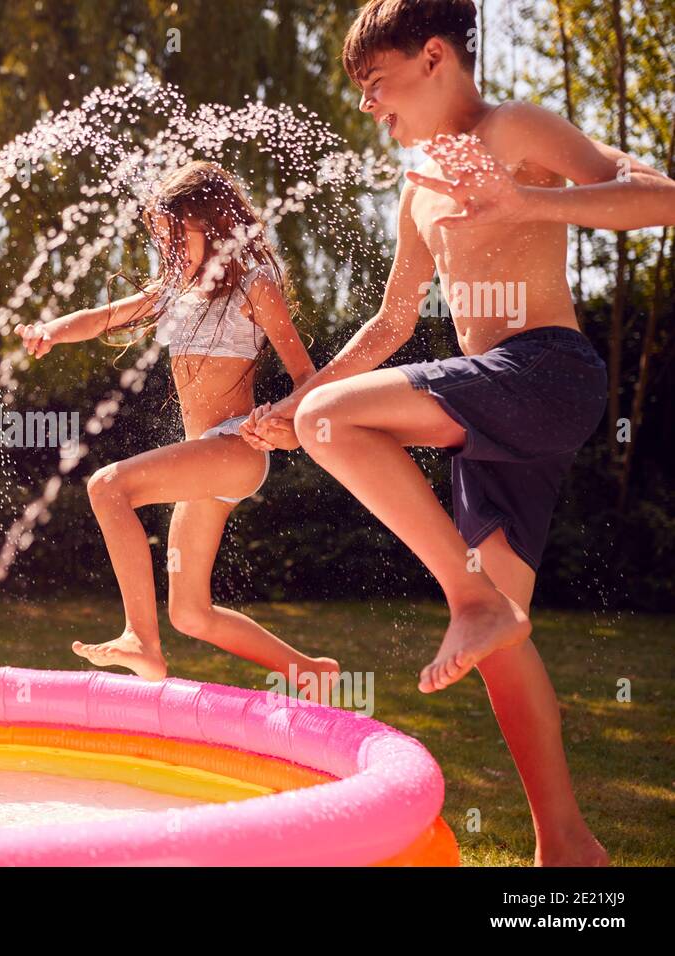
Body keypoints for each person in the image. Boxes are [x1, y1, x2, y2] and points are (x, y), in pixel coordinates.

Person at [244, 0, 675, 865]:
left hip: (547, 372)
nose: (369, 105)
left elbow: (659, 200)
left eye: (376, 83)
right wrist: (299, 401)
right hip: (503, 408)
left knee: (341, 430)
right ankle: (569, 848)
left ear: (434, 56)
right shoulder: (417, 188)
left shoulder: (513, 127)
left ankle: (470, 599)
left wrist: (528, 203)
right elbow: (391, 323)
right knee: (501, 636)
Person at [14, 161, 336, 686]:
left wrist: (282, 422)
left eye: (176, 235)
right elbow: (103, 318)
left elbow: (308, 377)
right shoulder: (175, 288)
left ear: (211, 224)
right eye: (161, 238)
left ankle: (141, 641)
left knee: (108, 487)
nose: (169, 249)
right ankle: (309, 672)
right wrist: (51, 330)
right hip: (204, 458)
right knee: (191, 613)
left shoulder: (254, 287)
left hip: (235, 449)